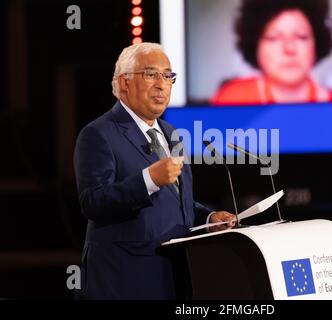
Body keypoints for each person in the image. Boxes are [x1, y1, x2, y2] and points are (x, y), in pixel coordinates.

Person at [73, 42, 236, 300]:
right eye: (151, 75)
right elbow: (93, 202)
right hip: (124, 282)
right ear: (124, 82)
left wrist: (209, 219)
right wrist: (149, 179)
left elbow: (176, 203)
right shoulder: (98, 134)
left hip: (174, 279)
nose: (162, 84)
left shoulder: (172, 135)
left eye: (168, 76)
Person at [211, 0, 332, 106]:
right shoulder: (232, 99)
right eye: (273, 37)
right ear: (255, 46)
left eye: (301, 36)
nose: (289, 48)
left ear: (317, 43)